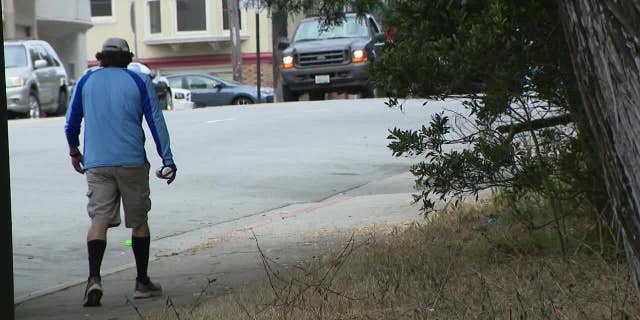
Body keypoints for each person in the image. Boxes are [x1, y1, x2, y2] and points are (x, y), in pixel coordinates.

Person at [64, 37, 177, 307]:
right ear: (128, 59)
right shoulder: (138, 81)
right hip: (132, 163)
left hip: (97, 163)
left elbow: (71, 123)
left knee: (99, 220)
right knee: (138, 221)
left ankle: (93, 278)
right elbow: (155, 121)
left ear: (101, 58)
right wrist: (168, 159)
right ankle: (141, 282)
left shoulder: (85, 81)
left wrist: (74, 151)